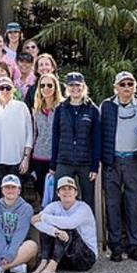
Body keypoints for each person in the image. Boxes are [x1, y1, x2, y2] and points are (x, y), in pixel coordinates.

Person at [100, 71, 137, 262]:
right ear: (116, 87)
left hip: (134, 161)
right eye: (123, 84)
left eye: (130, 84)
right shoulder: (107, 106)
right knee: (112, 205)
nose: (127, 87)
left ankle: (134, 245)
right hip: (112, 162)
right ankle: (116, 246)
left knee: (133, 205)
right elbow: (100, 133)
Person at [50, 72, 100, 210]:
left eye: (78, 85)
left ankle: (86, 231)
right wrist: (53, 164)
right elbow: (56, 136)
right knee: (59, 199)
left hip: (86, 162)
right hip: (64, 161)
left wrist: (95, 166)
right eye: (71, 85)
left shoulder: (92, 109)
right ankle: (60, 230)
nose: (75, 88)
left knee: (88, 200)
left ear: (83, 86)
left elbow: (96, 139)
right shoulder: (61, 109)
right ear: (66, 87)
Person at [30, 176, 97, 273]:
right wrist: (55, 231)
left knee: (66, 227)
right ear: (58, 193)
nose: (67, 192)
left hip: (84, 258)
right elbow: (36, 222)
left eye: (70, 189)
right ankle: (44, 261)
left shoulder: (83, 208)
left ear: (76, 193)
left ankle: (52, 266)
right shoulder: (53, 206)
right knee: (51, 228)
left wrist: (44, 217)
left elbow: (70, 223)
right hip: (63, 257)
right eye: (63, 189)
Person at [0, 77, 33, 186]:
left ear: (13, 89)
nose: (5, 91)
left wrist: (26, 158)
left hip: (17, 159)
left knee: (16, 191)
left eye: (8, 88)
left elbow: (29, 133)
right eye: (2, 88)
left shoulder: (22, 107)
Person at [31, 73, 64, 201]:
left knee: (56, 190)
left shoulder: (62, 108)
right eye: (42, 85)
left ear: (55, 87)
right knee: (40, 189)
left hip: (56, 156)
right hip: (39, 156)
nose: (46, 88)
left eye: (49, 85)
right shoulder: (36, 109)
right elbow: (34, 133)